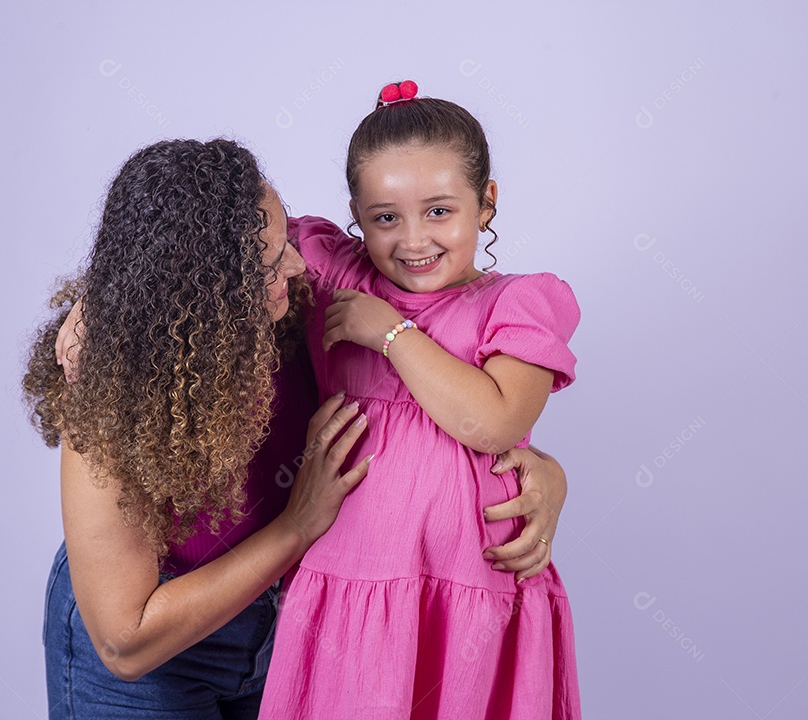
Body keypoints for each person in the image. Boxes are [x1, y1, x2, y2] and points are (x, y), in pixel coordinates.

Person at [31, 137, 570, 718]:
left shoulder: (299, 310)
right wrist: (298, 525)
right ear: (209, 291)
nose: (294, 263)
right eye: (267, 263)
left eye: (286, 237)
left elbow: (444, 419)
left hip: (291, 624)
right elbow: (125, 642)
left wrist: (546, 472)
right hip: (161, 652)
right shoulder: (113, 396)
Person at [258, 82, 582, 719]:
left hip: (470, 589)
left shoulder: (518, 303)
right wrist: (89, 310)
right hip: (351, 581)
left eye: (439, 211)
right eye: (385, 217)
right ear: (355, 212)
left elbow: (491, 422)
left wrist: (391, 333)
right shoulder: (333, 272)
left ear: (486, 201)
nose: (413, 240)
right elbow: (204, 242)